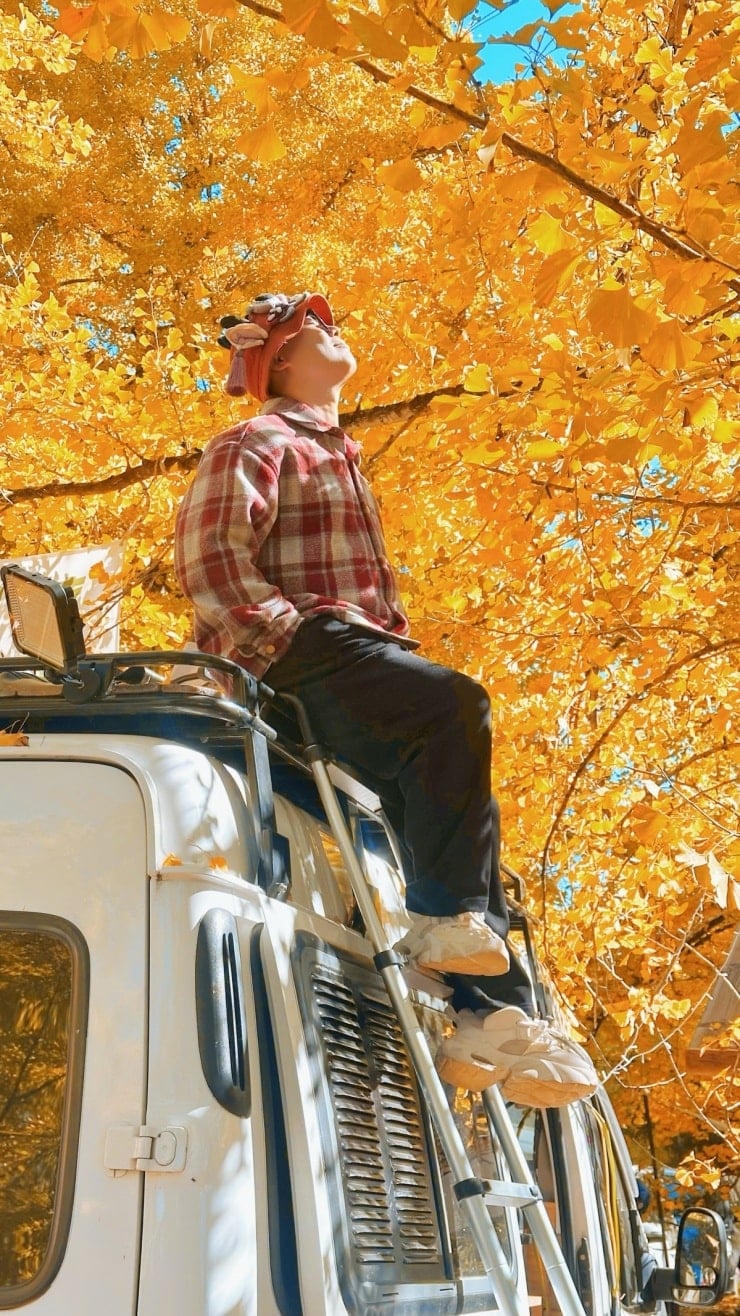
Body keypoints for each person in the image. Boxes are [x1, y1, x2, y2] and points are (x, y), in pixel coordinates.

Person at [174, 290, 599, 1108]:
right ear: (283, 363)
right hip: (297, 658)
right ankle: (447, 929)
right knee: (454, 708)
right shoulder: (255, 440)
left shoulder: (343, 455)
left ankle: (488, 1025)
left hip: (348, 657)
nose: (337, 332)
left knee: (455, 803)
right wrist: (283, 641)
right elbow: (210, 560)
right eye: (315, 329)